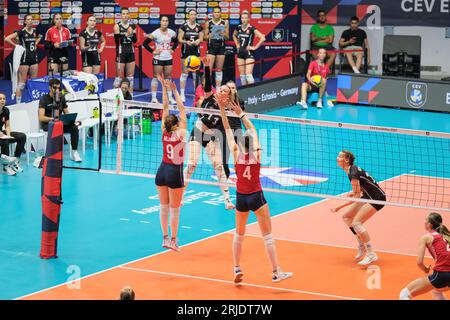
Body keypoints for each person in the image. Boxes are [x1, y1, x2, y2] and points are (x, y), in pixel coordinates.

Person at [216, 95, 293, 283]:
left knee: (238, 234)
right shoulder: (257, 153)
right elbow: (252, 129)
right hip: (256, 196)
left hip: (241, 197)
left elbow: (226, 129)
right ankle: (276, 272)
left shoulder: (235, 152)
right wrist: (241, 114)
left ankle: (236, 269)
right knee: (267, 236)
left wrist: (222, 109)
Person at [184, 57, 235, 210]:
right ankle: (180, 194)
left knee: (219, 166)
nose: (220, 91)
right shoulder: (209, 97)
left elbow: (226, 126)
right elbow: (207, 83)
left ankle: (227, 200)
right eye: (220, 89)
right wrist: (206, 67)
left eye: (224, 90)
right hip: (199, 131)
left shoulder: (229, 109)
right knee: (192, 164)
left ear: (228, 95)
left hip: (212, 137)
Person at [330, 150, 386, 266]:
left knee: (356, 223)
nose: (337, 158)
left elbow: (357, 196)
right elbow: (358, 191)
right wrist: (354, 191)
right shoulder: (351, 170)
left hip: (377, 198)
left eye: (340, 157)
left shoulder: (352, 173)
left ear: (346, 160)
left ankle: (371, 254)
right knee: (347, 217)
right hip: (368, 196)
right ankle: (361, 244)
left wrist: (339, 206)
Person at [155, 74, 187, 252]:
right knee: (175, 210)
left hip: (162, 170)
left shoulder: (163, 130)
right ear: (176, 125)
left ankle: (165, 238)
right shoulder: (181, 133)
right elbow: (182, 109)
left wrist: (163, 87)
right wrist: (174, 90)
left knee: (163, 207)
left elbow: (165, 107)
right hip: (175, 172)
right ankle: (174, 240)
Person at [400, 212, 450, 300]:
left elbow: (419, 262)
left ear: (429, 224)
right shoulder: (447, 236)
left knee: (405, 294)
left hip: (442, 274)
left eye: (425, 220)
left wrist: (425, 269)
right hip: (446, 275)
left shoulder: (427, 237)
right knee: (436, 291)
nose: (424, 222)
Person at [38, 78, 82, 162]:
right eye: (55, 88)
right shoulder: (44, 99)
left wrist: (70, 120)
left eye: (59, 88)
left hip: (60, 123)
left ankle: (74, 152)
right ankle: (54, 155)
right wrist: (53, 119)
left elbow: (66, 112)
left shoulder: (61, 98)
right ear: (49, 88)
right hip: (48, 124)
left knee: (74, 128)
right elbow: (41, 117)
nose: (57, 90)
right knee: (57, 128)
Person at [4, 14, 41, 103]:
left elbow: (39, 37)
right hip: (24, 60)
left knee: (33, 83)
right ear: (25, 22)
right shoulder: (21, 32)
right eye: (28, 19)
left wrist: (35, 44)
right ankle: (18, 104)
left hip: (34, 60)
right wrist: (16, 46)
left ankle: (33, 102)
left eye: (31, 19)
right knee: (21, 84)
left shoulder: (35, 31)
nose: (30, 21)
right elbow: (7, 39)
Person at [143, 16, 178, 104]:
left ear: (168, 22)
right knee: (156, 77)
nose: (165, 22)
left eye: (166, 21)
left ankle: (170, 97)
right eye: (163, 21)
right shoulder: (155, 33)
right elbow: (145, 43)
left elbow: (176, 41)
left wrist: (173, 49)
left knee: (168, 78)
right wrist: (152, 51)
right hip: (158, 58)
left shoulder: (171, 32)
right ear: (160, 22)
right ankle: (154, 98)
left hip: (168, 58)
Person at [233, 10, 266, 86]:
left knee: (248, 75)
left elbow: (263, 38)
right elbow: (234, 35)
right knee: (242, 76)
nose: (243, 20)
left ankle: (252, 92)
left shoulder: (251, 28)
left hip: (249, 53)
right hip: (240, 53)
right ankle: (245, 93)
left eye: (245, 18)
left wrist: (254, 47)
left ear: (248, 19)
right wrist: (237, 44)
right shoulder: (238, 27)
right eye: (242, 18)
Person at [178, 9, 204, 102]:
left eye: (194, 14)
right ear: (188, 16)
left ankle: (196, 93)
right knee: (184, 73)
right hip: (185, 52)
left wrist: (198, 41)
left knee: (195, 74)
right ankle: (182, 94)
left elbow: (201, 38)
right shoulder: (183, 26)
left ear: (196, 16)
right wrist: (186, 42)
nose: (193, 16)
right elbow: (179, 39)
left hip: (196, 52)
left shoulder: (199, 27)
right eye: (191, 14)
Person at [0, 92, 26, 175]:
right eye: (0, 99)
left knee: (22, 136)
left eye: (4, 99)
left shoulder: (6, 110)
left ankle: (15, 160)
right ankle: (6, 166)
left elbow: (7, 125)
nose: (2, 100)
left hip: (2, 133)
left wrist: (8, 135)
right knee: (5, 141)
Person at [204, 6, 229, 89]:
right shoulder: (208, 23)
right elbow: (204, 37)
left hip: (221, 48)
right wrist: (210, 35)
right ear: (213, 13)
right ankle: (208, 89)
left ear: (220, 13)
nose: (217, 14)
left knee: (219, 70)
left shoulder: (225, 22)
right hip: (211, 48)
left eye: (218, 12)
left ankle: (218, 89)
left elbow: (228, 37)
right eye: (215, 12)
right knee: (208, 70)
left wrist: (224, 35)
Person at [113, 7, 137, 92]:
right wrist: (127, 34)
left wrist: (132, 32)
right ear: (120, 15)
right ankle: (116, 99)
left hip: (130, 52)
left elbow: (135, 40)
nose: (125, 15)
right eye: (123, 14)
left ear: (129, 15)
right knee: (119, 77)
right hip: (121, 53)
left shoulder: (132, 26)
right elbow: (117, 40)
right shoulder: (117, 26)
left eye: (127, 13)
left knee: (130, 77)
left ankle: (130, 98)